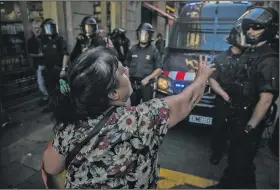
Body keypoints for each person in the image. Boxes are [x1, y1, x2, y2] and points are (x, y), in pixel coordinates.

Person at [42, 46, 215, 188]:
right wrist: (202, 77)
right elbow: (187, 100)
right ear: (114, 93)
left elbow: (50, 167)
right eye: (121, 71)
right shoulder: (142, 119)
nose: (126, 69)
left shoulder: (69, 127)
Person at [207, 6, 279, 189]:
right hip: (238, 115)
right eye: (249, 27)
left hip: (248, 121)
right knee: (242, 162)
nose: (250, 31)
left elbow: (266, 99)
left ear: (269, 29)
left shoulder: (268, 59)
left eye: (256, 27)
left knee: (239, 158)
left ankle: (226, 185)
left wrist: (250, 127)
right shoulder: (250, 52)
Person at [208, 27, 247, 165]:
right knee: (219, 128)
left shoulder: (249, 58)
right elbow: (212, 79)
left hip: (243, 101)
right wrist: (224, 95)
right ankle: (217, 153)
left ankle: (235, 156)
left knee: (239, 131)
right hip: (223, 99)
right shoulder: (220, 58)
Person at [125, 23, 162, 106]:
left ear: (150, 35)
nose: (143, 36)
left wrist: (147, 79)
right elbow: (127, 64)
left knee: (146, 108)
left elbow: (159, 69)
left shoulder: (153, 50)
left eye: (145, 34)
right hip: (134, 84)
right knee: (134, 107)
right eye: (141, 33)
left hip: (147, 85)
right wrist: (127, 77)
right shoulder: (133, 49)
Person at [40, 18, 69, 111]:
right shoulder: (44, 41)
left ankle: (65, 106)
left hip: (58, 69)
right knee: (50, 89)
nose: (50, 30)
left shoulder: (60, 40)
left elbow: (65, 54)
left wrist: (63, 69)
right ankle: (53, 105)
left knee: (62, 89)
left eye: (51, 28)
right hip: (48, 70)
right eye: (48, 28)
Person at [27, 18, 49, 105]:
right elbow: (30, 53)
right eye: (35, 28)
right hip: (38, 65)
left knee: (50, 82)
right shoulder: (30, 41)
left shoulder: (46, 38)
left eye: (39, 27)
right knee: (40, 84)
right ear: (32, 29)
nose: (37, 29)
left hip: (48, 64)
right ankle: (46, 96)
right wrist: (39, 55)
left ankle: (51, 99)